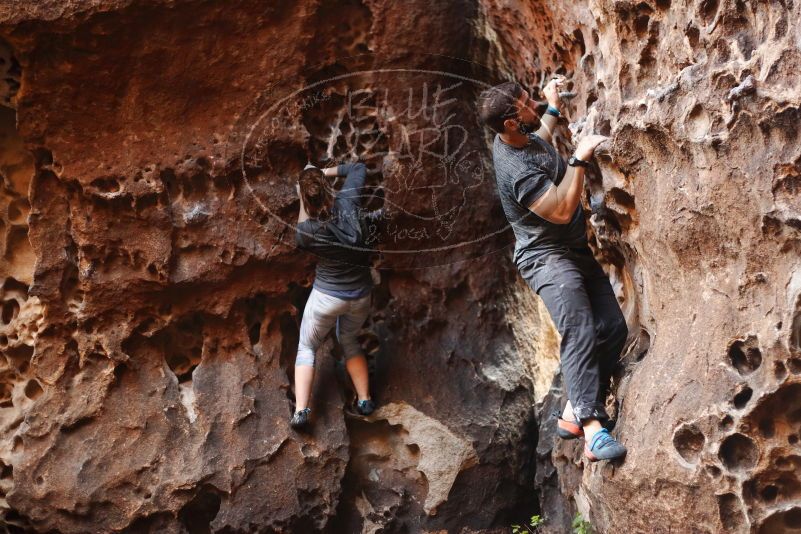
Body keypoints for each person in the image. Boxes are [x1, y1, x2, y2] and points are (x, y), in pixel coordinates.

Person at [479, 76, 629, 462]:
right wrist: (579, 157)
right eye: (528, 104)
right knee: (579, 328)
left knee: (612, 328)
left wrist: (552, 105)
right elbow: (562, 211)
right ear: (511, 122)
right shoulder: (516, 171)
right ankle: (594, 434)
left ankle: (571, 413)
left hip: (572, 251)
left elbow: (541, 133)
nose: (535, 107)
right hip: (545, 258)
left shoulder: (518, 136)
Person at [290, 161, 376, 429]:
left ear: (305, 197)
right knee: (349, 340)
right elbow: (358, 168)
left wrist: (304, 186)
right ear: (327, 187)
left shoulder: (308, 232)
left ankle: (302, 412)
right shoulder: (349, 199)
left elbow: (302, 225)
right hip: (361, 295)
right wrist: (318, 173)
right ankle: (364, 400)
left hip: (327, 298)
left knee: (307, 347)